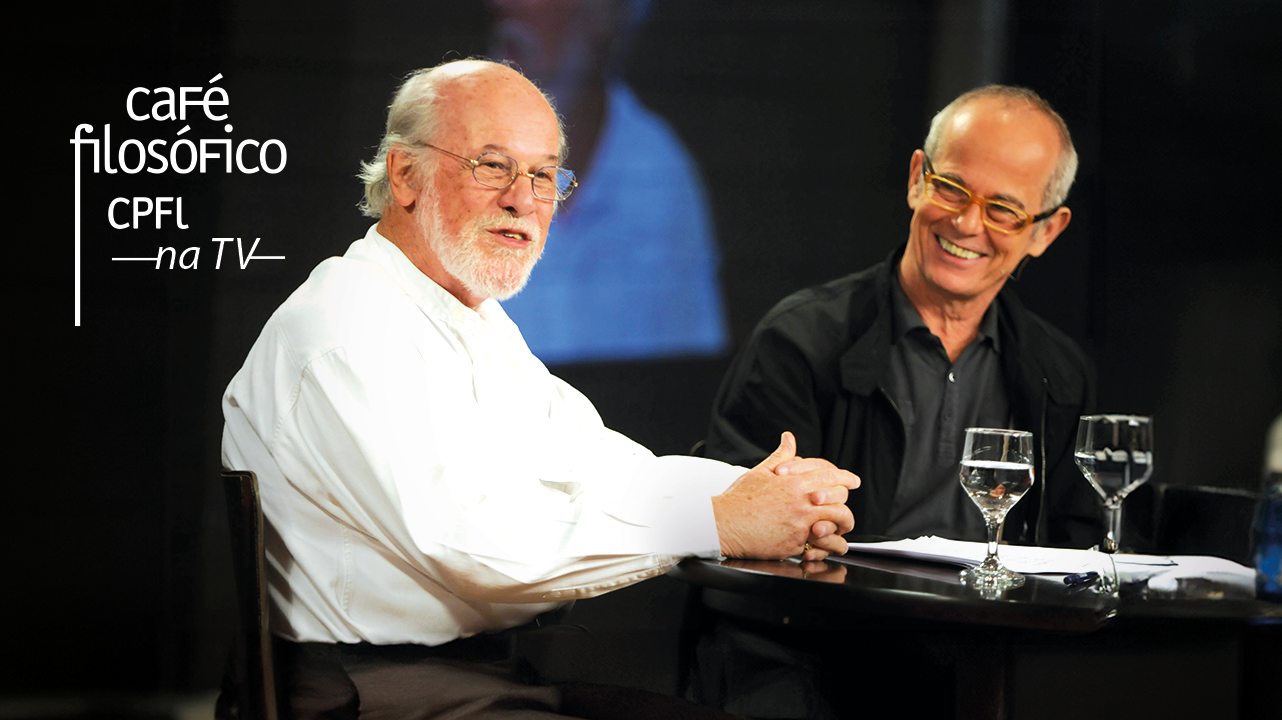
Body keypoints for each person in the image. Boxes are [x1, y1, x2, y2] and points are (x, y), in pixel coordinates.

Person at [219, 59, 858, 720]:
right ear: (405, 174)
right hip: (367, 697)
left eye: (545, 174)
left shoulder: (466, 320)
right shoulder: (348, 326)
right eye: (493, 165)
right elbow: (473, 545)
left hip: (464, 681)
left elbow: (602, 466)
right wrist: (721, 518)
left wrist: (763, 492)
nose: (523, 199)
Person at [705, 85, 1101, 550]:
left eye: (1002, 210)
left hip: (995, 623)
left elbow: (1079, 551)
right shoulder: (799, 340)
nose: (968, 224)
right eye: (952, 189)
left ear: (1045, 231)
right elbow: (736, 530)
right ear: (918, 179)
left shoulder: (1061, 375)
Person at [488, 0, 728, 363]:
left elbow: (688, 389)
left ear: (604, 14)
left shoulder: (660, 177)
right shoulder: (456, 162)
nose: (504, 5)